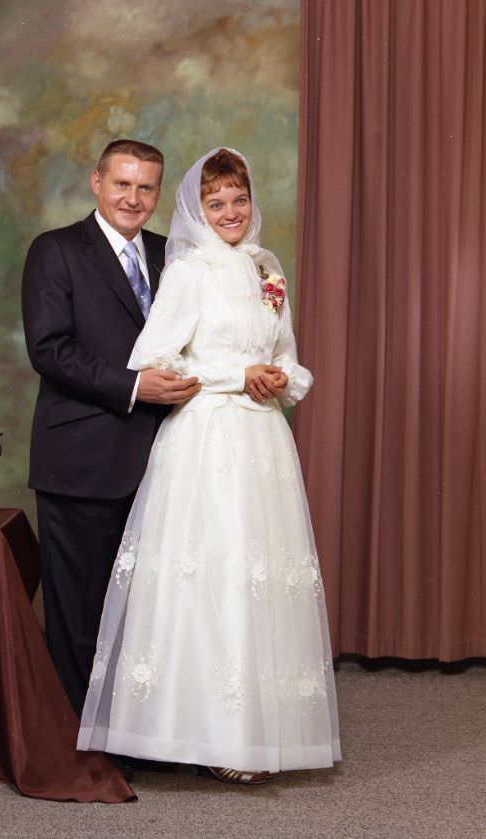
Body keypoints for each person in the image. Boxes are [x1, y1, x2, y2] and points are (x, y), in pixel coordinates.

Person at [77, 148, 341, 784]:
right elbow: (154, 357)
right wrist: (234, 374)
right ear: (197, 210)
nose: (230, 212)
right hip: (204, 441)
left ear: (253, 203)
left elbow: (288, 355)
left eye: (239, 200)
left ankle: (252, 735)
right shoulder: (189, 270)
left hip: (262, 443)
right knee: (213, 576)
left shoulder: (267, 269)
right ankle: (201, 736)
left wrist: (282, 377)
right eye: (215, 203)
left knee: (257, 583)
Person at [21, 139, 200, 717]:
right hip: (83, 459)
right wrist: (133, 385)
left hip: (165, 457)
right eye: (122, 183)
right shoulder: (56, 251)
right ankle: (79, 740)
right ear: (96, 183)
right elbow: (50, 350)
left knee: (151, 608)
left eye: (145, 187)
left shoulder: (172, 254)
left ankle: (137, 731)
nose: (133, 197)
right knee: (81, 611)